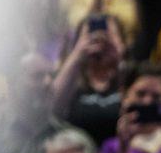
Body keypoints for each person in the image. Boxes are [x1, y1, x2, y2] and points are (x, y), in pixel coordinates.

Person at [50, 14, 127, 146]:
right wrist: (77, 55)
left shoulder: (127, 75)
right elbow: (51, 105)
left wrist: (118, 57)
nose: (100, 41)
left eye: (108, 35)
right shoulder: (71, 79)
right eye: (91, 36)